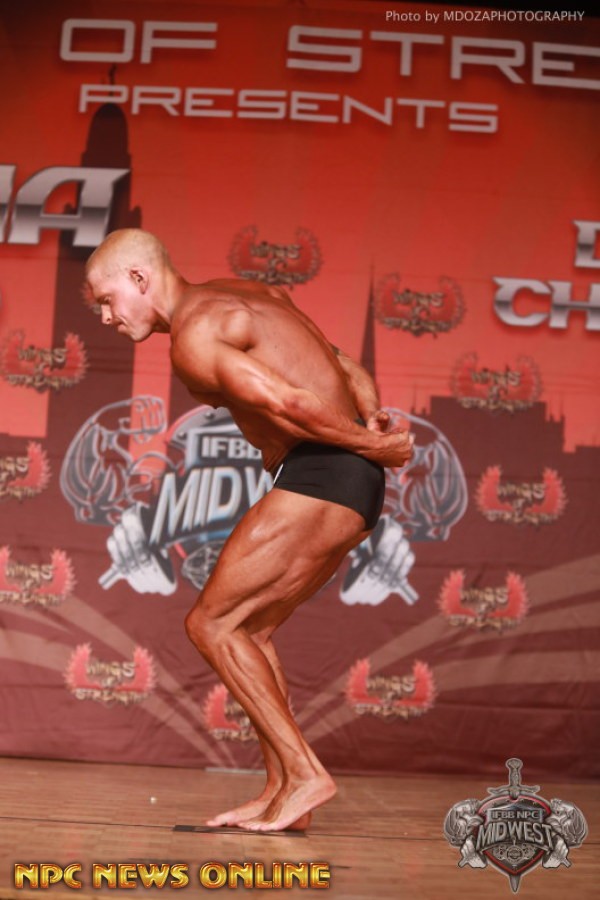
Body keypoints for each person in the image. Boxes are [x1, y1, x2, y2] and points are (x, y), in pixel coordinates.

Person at [84, 228, 414, 833]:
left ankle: (306, 774)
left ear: (139, 278)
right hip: (346, 478)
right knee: (250, 632)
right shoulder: (248, 293)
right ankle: (285, 791)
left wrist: (373, 445)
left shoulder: (194, 335)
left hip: (324, 472)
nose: (106, 317)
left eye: (107, 300)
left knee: (210, 624)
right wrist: (371, 416)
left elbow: (289, 403)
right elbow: (343, 365)